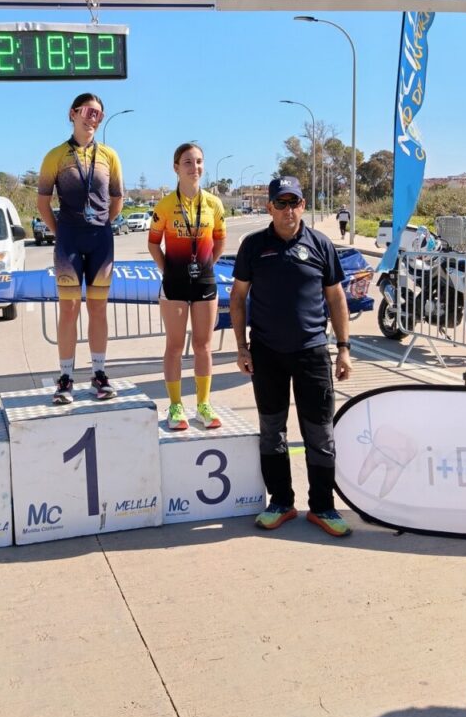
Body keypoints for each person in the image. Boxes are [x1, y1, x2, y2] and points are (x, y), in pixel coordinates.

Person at [229, 176, 354, 538]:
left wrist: (344, 348)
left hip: (312, 352)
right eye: (280, 203)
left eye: (294, 202)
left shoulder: (320, 244)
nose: (288, 210)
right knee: (272, 432)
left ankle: (323, 508)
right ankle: (281, 502)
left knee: (320, 434)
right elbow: (238, 298)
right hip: (266, 353)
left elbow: (336, 299)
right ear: (269, 207)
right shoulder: (253, 246)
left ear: (303, 205)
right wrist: (241, 347)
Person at [37, 93, 124, 404]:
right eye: (88, 112)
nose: (93, 119)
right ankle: (65, 377)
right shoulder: (55, 156)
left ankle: (99, 374)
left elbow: (117, 201)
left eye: (99, 115)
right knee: (69, 309)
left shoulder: (110, 156)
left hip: (101, 239)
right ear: (73, 113)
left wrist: (99, 224)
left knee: (98, 308)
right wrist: (61, 232)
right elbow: (43, 203)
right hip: (69, 240)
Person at [148, 143, 227, 429]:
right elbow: (153, 243)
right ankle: (175, 406)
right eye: (188, 162)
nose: (195, 168)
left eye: (199, 162)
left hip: (205, 282)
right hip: (175, 284)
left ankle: (203, 405)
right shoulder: (166, 205)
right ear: (176, 168)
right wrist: (167, 270)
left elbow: (219, 240)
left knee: (203, 346)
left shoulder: (214, 204)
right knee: (174, 346)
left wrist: (207, 264)